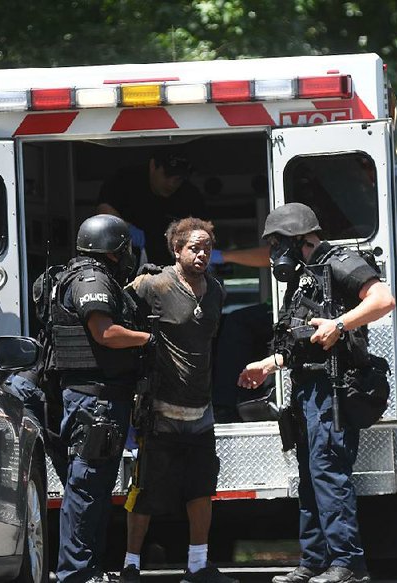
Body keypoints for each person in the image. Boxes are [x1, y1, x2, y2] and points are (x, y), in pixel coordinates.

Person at [237, 202, 395, 583]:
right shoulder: (305, 277)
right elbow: (300, 343)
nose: (274, 254)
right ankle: (313, 561)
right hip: (307, 389)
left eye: (278, 244)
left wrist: (340, 324)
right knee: (309, 476)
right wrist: (267, 365)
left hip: (334, 388)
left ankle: (348, 564)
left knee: (328, 473)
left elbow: (383, 299)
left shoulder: (337, 261)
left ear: (299, 239)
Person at [121, 217, 236, 583]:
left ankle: (199, 566)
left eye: (206, 247)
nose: (202, 253)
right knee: (145, 491)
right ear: (177, 250)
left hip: (201, 412)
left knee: (201, 490)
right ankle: (130, 566)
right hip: (160, 412)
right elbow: (115, 312)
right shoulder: (153, 285)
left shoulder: (217, 291)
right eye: (194, 247)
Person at [53, 214, 154, 583]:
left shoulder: (94, 276)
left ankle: (88, 569)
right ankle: (76, 573)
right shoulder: (90, 280)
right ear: (111, 247)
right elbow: (105, 332)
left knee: (94, 488)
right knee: (86, 489)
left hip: (100, 398)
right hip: (93, 401)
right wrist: (147, 339)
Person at [97, 149, 206, 266]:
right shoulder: (124, 181)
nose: (171, 183)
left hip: (171, 266)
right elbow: (104, 210)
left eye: (178, 179)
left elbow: (202, 232)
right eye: (167, 175)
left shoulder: (190, 195)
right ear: (153, 166)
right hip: (127, 263)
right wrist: (124, 228)